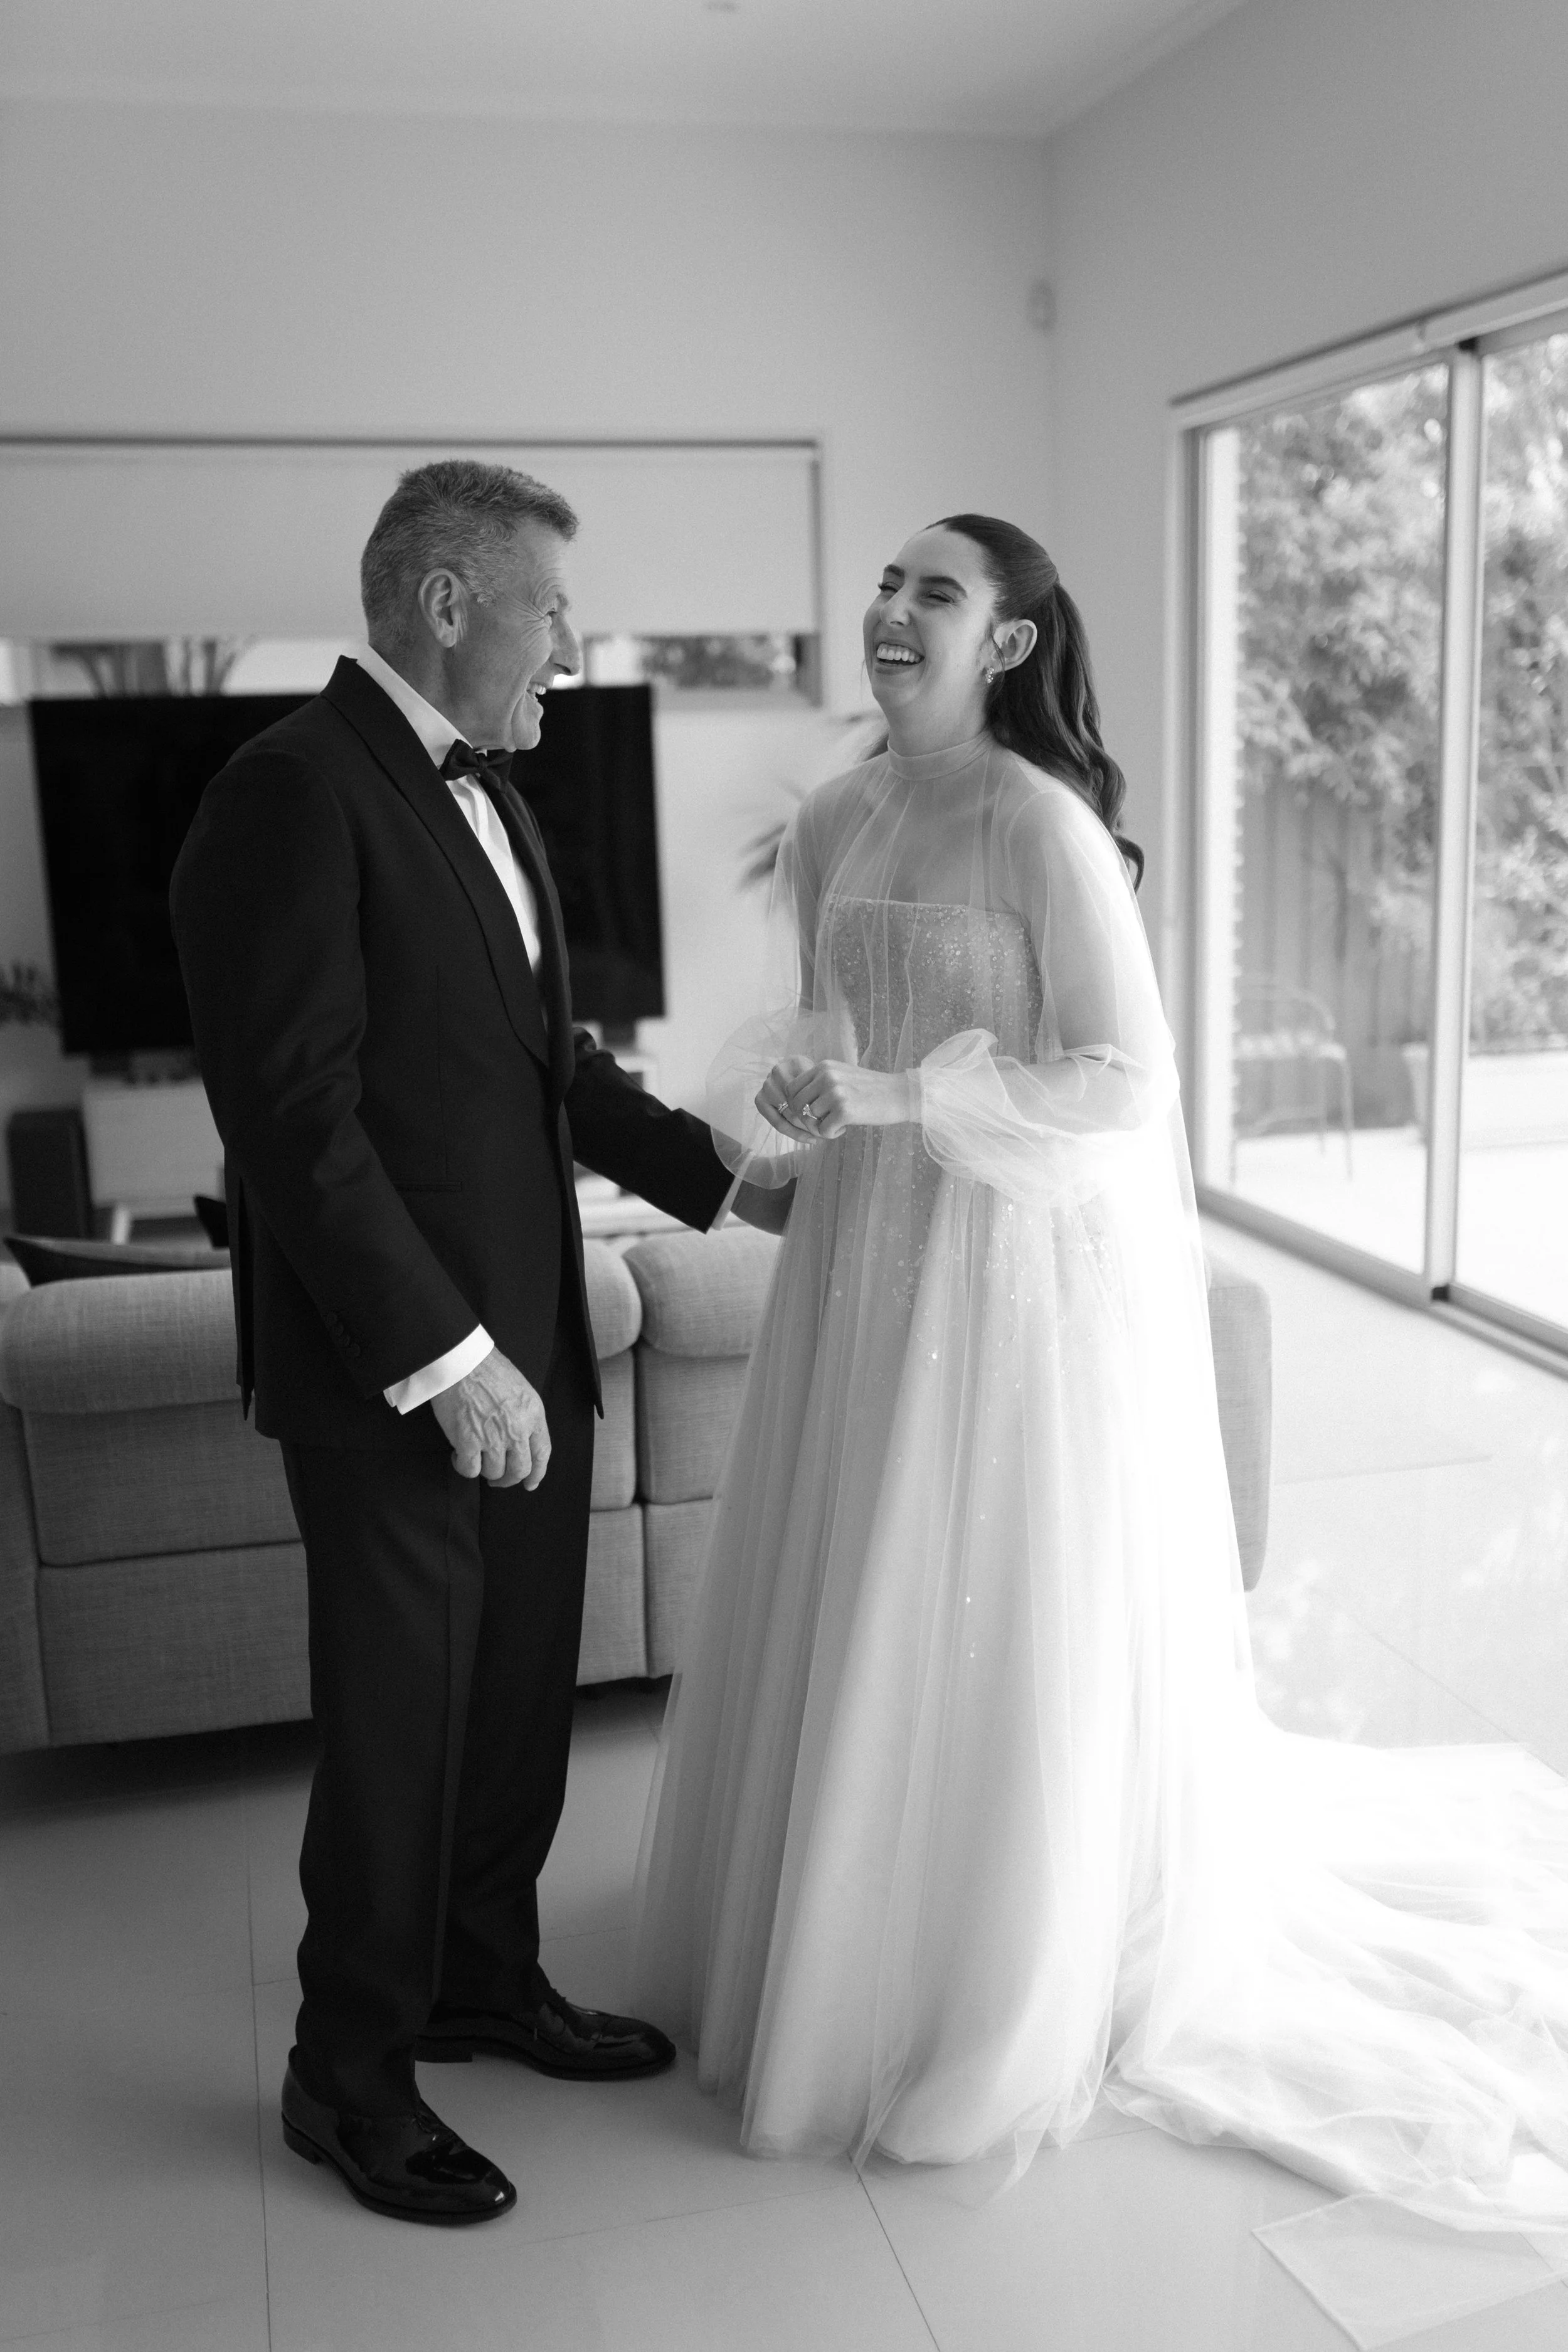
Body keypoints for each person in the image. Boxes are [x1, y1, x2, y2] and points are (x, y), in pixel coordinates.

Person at [630, 514, 1568, 2341]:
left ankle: (989, 1971)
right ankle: (834, 1927)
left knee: (985, 1596)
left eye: (936, 591)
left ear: (1008, 641)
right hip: (863, 1271)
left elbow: (1125, 1085)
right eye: (888, 582)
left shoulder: (1042, 827)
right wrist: (818, 1092)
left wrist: (898, 1089)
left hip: (1002, 1279)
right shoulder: (834, 820)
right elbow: (830, 1025)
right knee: (853, 1576)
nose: (895, 610)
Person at [171, 458, 785, 2228]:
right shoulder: (287, 795)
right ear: (449, 604)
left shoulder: (499, 806)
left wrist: (734, 1182)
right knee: (396, 1731)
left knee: (515, 1694)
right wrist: (450, 1358)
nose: (571, 655)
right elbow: (294, 1122)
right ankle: (345, 2080)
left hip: (536, 1350)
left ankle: (479, 1981)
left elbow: (552, 1074)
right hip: (398, 1375)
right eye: (553, 614)